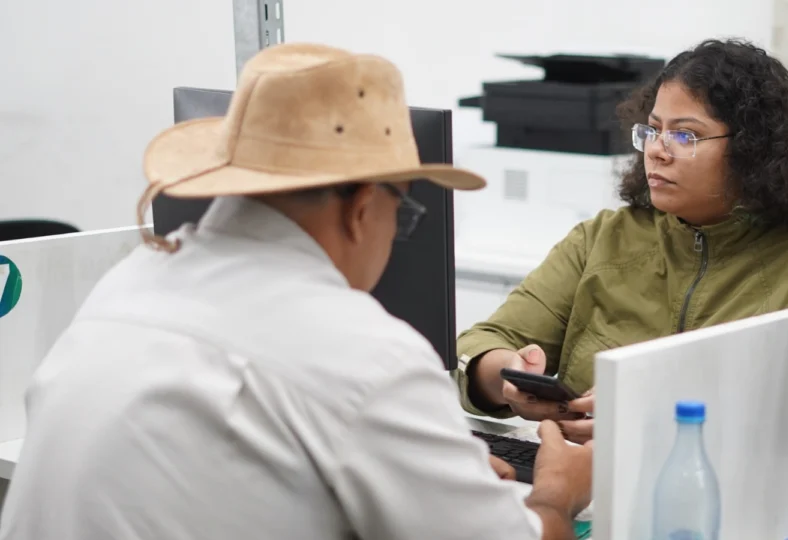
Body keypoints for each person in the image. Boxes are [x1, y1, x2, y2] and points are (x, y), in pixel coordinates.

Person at [0, 43, 592, 540]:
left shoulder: (132, 282)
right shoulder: (364, 353)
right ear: (363, 210)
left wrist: (435, 481)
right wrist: (558, 494)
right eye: (404, 215)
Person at [455, 38, 788, 444]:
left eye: (685, 136)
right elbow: (479, 345)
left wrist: (644, 420)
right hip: (580, 483)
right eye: (653, 130)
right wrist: (506, 374)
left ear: (755, 151)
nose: (657, 151)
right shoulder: (603, 239)